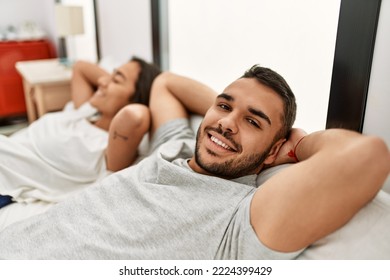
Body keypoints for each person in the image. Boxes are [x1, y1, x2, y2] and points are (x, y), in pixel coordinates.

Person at [0, 65, 388, 259]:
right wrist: (230, 116)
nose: (226, 123)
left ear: (273, 150)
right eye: (223, 106)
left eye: (253, 121)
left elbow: (367, 157)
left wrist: (298, 145)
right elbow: (165, 81)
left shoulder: (242, 218)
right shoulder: (175, 147)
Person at [0, 56, 160, 214]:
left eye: (116, 80)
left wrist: (150, 96)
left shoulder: (108, 151)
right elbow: (80, 67)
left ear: (136, 100)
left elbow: (136, 117)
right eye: (110, 75)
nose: (102, 81)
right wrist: (113, 82)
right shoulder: (86, 111)